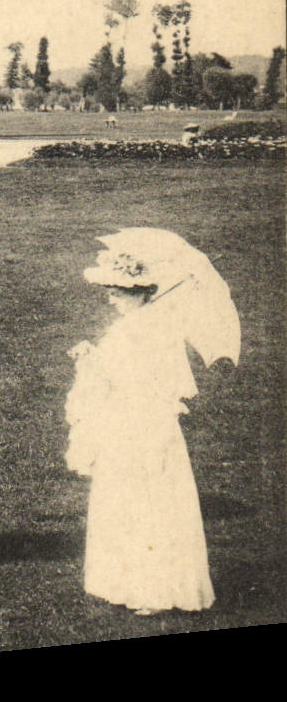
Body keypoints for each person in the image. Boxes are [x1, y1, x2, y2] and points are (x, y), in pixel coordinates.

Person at [64, 229, 239, 614]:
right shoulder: (131, 326)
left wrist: (95, 364)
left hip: (144, 423)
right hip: (124, 419)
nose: (110, 297)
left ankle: (155, 589)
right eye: (109, 289)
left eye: (119, 290)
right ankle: (127, 582)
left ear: (142, 291)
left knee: (148, 503)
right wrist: (93, 358)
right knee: (124, 502)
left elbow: (147, 380)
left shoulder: (156, 329)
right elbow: (115, 369)